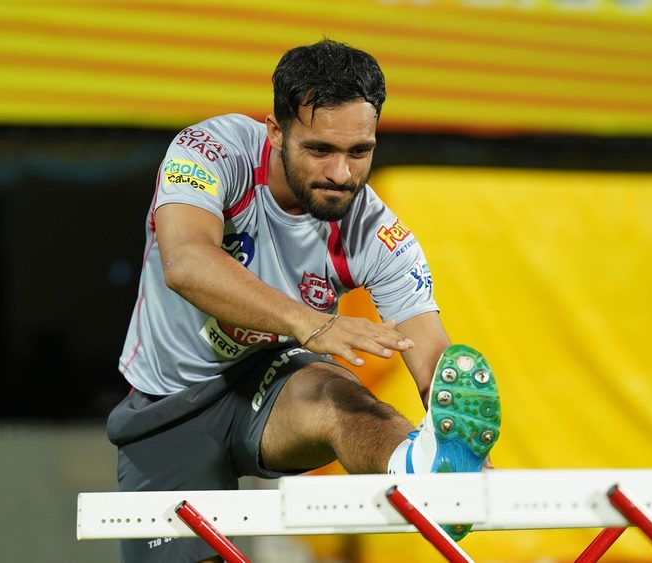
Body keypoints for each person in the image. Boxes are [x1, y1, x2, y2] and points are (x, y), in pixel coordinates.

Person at [108, 39, 502, 563]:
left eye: (359, 152)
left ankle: (418, 470)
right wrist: (312, 324)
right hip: (168, 402)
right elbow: (186, 263)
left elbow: (433, 360)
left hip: (271, 383)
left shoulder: (376, 232)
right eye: (320, 150)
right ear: (276, 131)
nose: (341, 174)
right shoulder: (210, 151)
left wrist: (458, 446)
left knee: (340, 397)